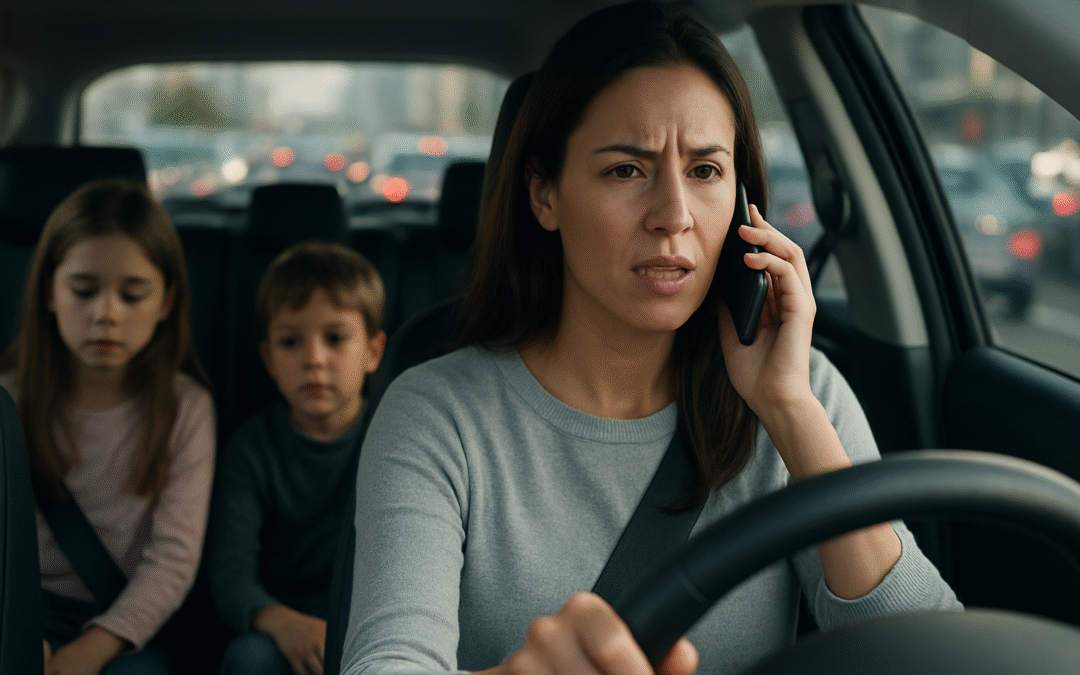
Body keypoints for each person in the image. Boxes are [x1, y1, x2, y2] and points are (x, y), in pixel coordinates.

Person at [340, 3, 962, 675]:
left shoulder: (800, 391)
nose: (674, 215)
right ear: (545, 195)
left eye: (705, 171)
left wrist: (788, 410)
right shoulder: (436, 413)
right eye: (626, 170)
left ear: (744, 201)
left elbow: (930, 655)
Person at [0, 179, 216, 675]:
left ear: (166, 303)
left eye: (133, 294)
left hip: (125, 626)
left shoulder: (186, 409)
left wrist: (90, 651)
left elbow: (172, 561)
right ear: (49, 291)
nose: (106, 314)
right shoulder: (8, 401)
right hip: (20, 611)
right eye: (83, 291)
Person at [206, 241, 386, 675]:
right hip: (278, 631)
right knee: (250, 658)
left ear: (373, 351)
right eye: (290, 342)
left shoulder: (394, 439)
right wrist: (283, 623)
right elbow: (230, 574)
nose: (313, 360)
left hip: (374, 626)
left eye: (335, 339)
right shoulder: (252, 448)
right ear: (268, 358)